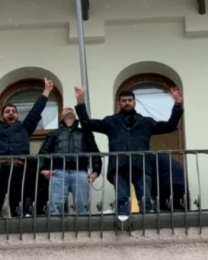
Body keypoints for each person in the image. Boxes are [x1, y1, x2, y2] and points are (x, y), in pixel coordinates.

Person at [74, 84, 184, 220]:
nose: (127, 103)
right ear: (119, 103)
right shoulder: (110, 121)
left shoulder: (146, 122)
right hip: (119, 165)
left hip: (141, 165)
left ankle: (148, 223)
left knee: (145, 199)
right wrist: (80, 100)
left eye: (130, 100)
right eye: (124, 100)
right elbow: (87, 124)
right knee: (122, 199)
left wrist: (178, 103)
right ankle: (123, 224)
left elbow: (170, 126)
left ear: (134, 102)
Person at [0, 77, 52, 219]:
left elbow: (35, 112)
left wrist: (46, 91)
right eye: (7, 111)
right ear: (2, 116)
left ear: (17, 116)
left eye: (13, 111)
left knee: (17, 201)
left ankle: (17, 223)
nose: (11, 112)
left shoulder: (24, 128)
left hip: (19, 170)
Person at [38, 108, 102, 215]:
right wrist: (43, 168)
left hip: (80, 172)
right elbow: (43, 152)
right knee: (55, 206)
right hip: (58, 172)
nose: (68, 109)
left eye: (71, 109)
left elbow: (95, 153)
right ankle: (55, 226)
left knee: (82, 206)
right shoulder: (54, 134)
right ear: (61, 117)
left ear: (75, 116)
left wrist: (96, 171)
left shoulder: (84, 133)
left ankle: (82, 226)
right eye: (65, 110)